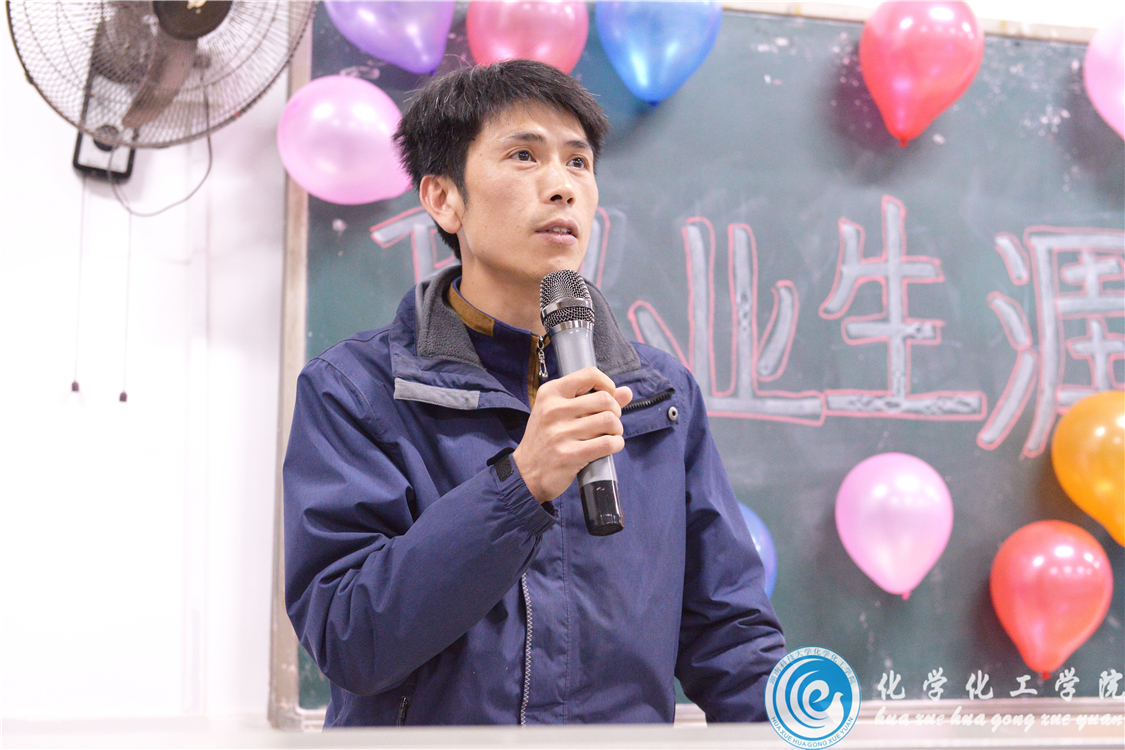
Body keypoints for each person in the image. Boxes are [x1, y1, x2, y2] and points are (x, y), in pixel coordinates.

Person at [283, 59, 784, 727]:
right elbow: (349, 638)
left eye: (578, 163)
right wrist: (519, 487)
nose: (561, 187)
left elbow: (730, 639)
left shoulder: (657, 397)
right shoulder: (355, 391)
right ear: (443, 198)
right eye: (524, 156)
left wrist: (801, 722)